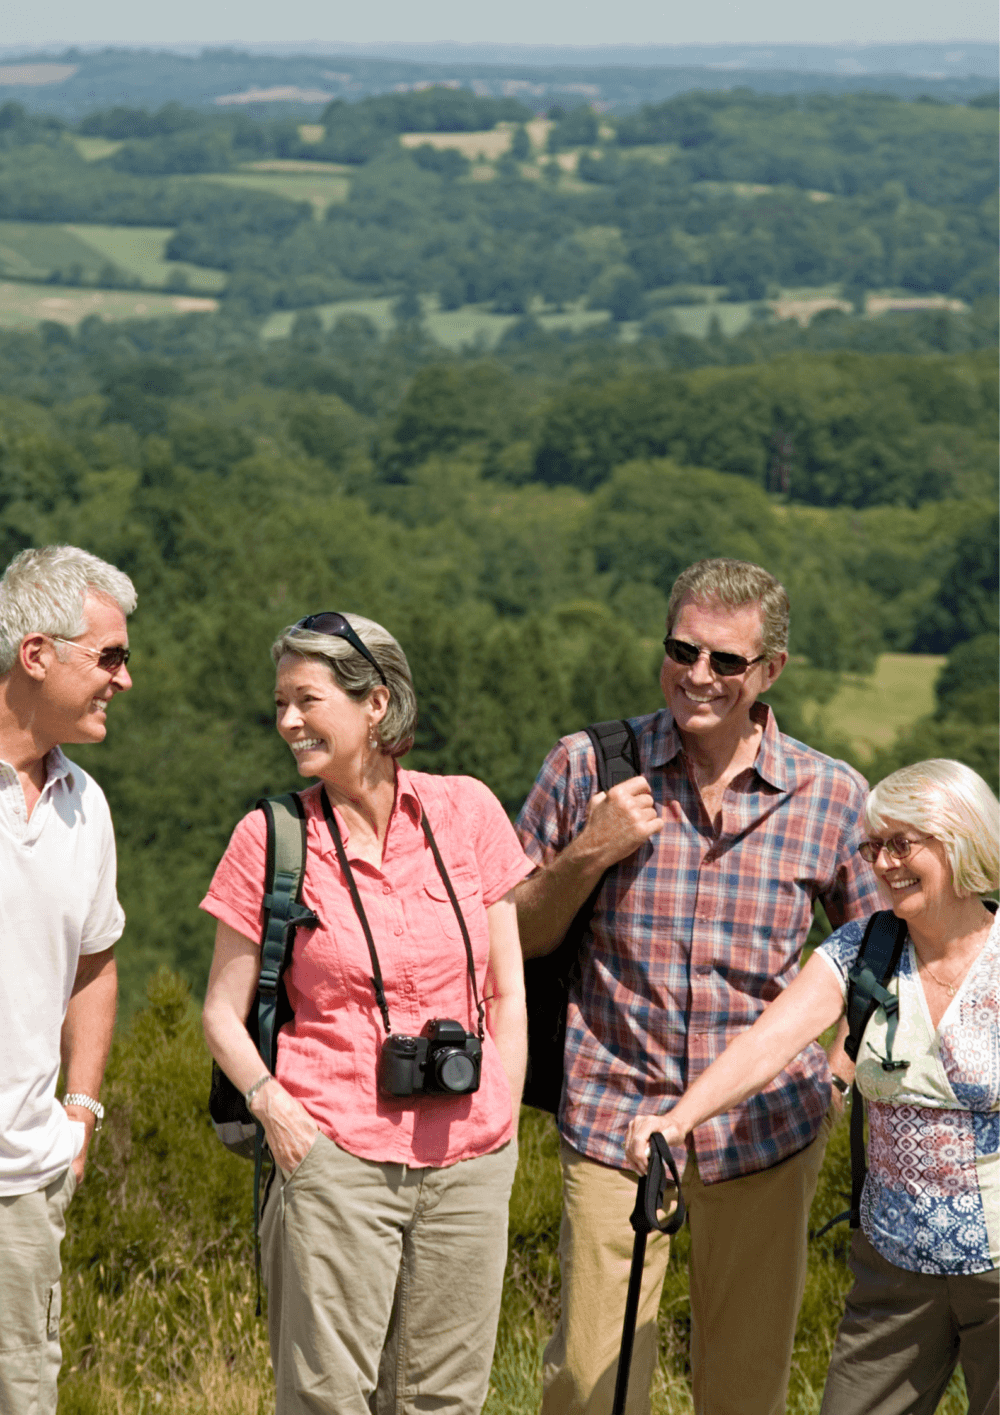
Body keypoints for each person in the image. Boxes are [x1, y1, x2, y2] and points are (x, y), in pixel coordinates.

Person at [514, 558, 883, 1415]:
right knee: (587, 1384)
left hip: (764, 1128)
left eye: (726, 661)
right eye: (683, 649)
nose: (699, 675)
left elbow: (882, 953)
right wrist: (590, 849)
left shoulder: (831, 796)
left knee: (745, 1388)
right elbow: (515, 932)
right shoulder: (587, 766)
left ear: (770, 672)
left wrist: (836, 1072)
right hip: (613, 1114)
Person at [201, 610, 532, 1415]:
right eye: (279, 703)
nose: (287, 721)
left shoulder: (467, 812)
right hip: (334, 1153)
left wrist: (503, 1110)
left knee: (445, 1399)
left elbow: (506, 989)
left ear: (375, 703)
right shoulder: (272, 836)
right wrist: (275, 1110)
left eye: (306, 700)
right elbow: (220, 1009)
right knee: (326, 1399)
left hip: (469, 1156)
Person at [626, 758, 999, 1415]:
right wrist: (679, 1118)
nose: (883, 863)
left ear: (961, 837)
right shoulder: (866, 947)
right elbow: (768, 1040)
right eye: (873, 846)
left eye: (902, 842)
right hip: (892, 1269)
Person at [0, 544, 135, 1415]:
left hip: (26, 1181)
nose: (125, 679)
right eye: (110, 656)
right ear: (36, 653)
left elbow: (96, 962)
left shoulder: (86, 803)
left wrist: (80, 1111)